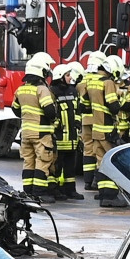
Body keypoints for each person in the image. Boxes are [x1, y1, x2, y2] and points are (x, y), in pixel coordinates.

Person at [11, 53, 59, 202]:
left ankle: (28, 193)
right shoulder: (42, 89)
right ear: (41, 71)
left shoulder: (21, 89)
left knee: (28, 162)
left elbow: (15, 109)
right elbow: (50, 111)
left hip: (25, 133)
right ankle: (39, 193)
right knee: (42, 161)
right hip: (41, 133)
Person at [87, 54, 125, 206]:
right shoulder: (108, 83)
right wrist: (121, 99)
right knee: (112, 162)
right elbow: (113, 106)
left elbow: (84, 103)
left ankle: (103, 195)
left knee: (101, 162)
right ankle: (110, 196)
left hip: (95, 129)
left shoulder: (91, 82)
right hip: (107, 130)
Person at [51, 62, 85, 200]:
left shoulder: (73, 91)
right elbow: (52, 111)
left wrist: (77, 122)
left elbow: (77, 108)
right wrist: (56, 126)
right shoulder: (52, 91)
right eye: (67, 75)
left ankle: (70, 190)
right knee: (57, 165)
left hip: (72, 136)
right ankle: (56, 190)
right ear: (60, 76)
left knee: (71, 165)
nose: (70, 77)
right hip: (59, 136)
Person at [78, 51, 106, 190]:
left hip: (84, 119)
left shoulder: (82, 80)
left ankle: (88, 181)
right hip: (98, 119)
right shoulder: (99, 81)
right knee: (99, 150)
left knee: (87, 149)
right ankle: (97, 180)